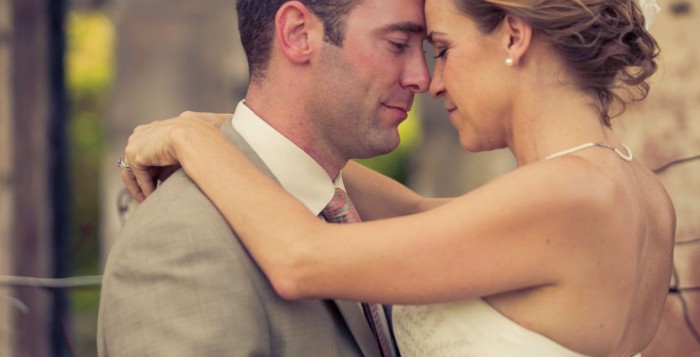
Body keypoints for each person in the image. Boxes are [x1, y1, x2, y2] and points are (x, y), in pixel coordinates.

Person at [120, 0, 676, 356]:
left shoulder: (568, 195)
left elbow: (299, 257)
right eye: (402, 46)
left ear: (513, 37)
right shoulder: (635, 189)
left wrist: (190, 140)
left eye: (442, 49)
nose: (429, 81)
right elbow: (410, 213)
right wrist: (228, 128)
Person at [98, 0, 430, 356]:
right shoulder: (179, 240)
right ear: (298, 33)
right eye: (397, 44)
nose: (422, 78)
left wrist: (198, 137)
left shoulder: (351, 211)